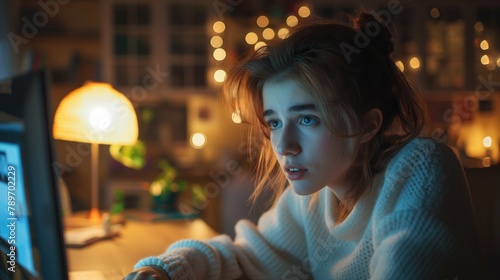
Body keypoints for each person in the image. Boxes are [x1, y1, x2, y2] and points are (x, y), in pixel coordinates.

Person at [125, 12, 485, 280]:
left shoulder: (421, 166)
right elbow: (242, 259)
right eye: (275, 122)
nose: (284, 146)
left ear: (367, 124)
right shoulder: (312, 199)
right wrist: (164, 272)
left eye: (308, 119)